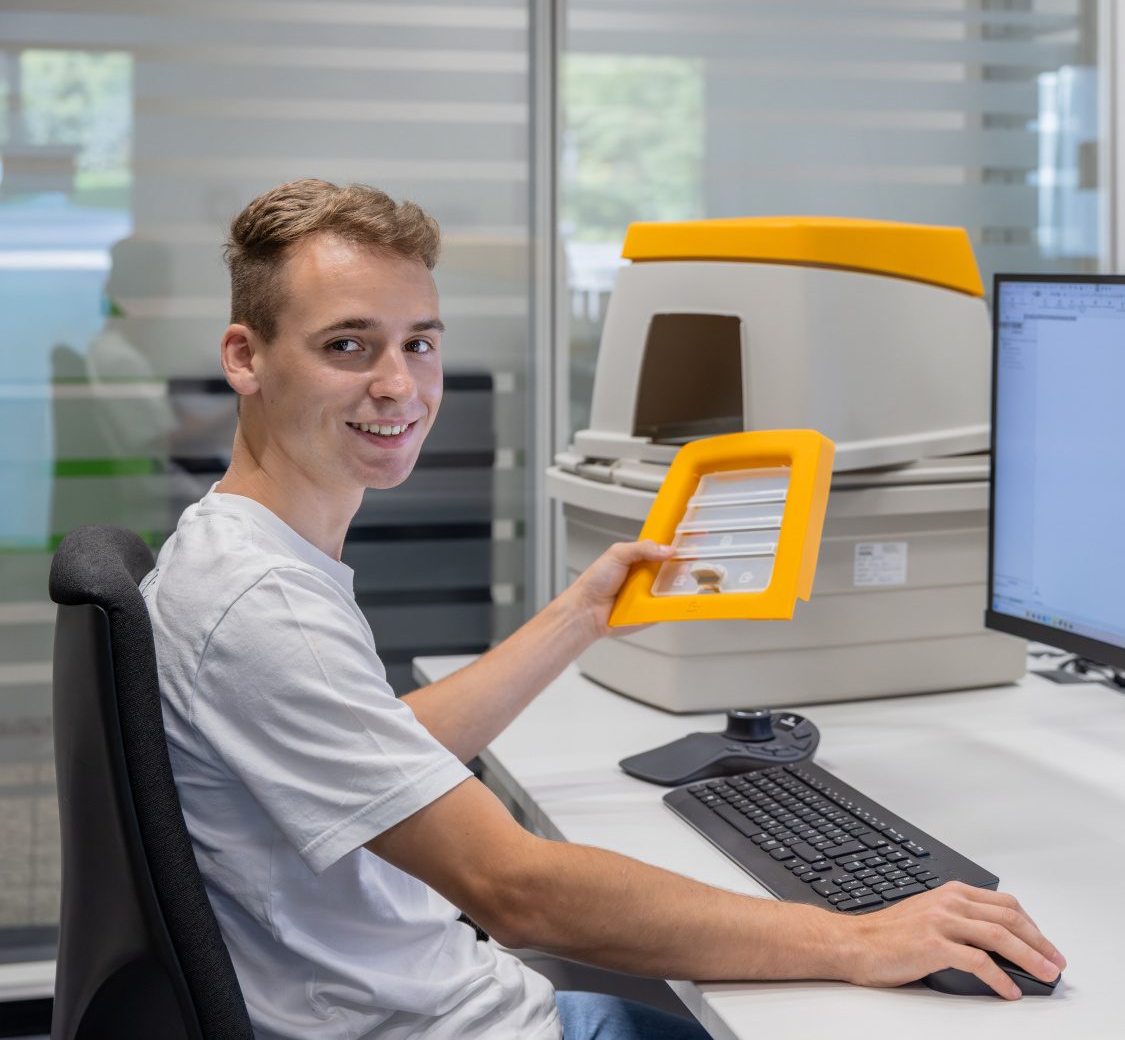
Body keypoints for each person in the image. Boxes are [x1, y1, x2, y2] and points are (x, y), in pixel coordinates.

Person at [141, 179, 1064, 1040]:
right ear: (245, 357)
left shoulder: (231, 551)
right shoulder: (266, 606)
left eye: (418, 342)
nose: (398, 385)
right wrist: (858, 937)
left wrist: (582, 615)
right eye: (348, 345)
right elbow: (516, 889)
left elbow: (379, 746)